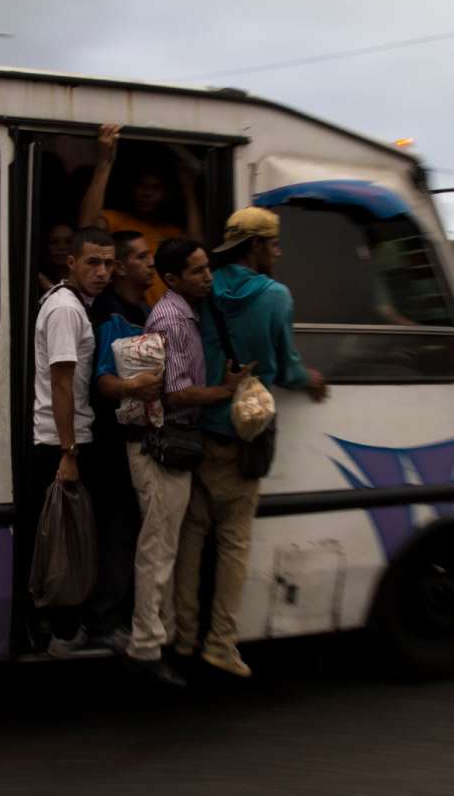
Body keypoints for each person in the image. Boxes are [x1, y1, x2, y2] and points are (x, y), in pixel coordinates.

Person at [175, 207, 328, 678]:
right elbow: (286, 368)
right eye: (273, 244)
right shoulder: (276, 296)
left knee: (192, 537)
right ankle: (220, 643)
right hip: (243, 440)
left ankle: (182, 636)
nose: (277, 253)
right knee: (234, 545)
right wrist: (313, 379)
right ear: (256, 246)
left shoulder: (205, 286)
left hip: (201, 431)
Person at [122, 237, 245, 688]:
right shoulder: (172, 319)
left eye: (206, 268)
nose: (207, 276)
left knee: (165, 547)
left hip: (172, 442)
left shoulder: (188, 313)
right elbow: (175, 393)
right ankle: (144, 650)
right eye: (196, 271)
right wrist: (225, 392)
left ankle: (162, 638)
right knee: (156, 550)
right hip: (161, 443)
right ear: (172, 279)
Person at [26, 226, 120, 656]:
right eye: (93, 263)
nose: (102, 272)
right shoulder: (66, 309)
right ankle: (61, 632)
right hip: (60, 442)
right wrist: (68, 452)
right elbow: (61, 385)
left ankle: (59, 627)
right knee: (66, 541)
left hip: (65, 438)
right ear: (71, 263)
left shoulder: (70, 303)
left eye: (109, 264)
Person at [82, 230, 161, 651]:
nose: (151, 263)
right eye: (142, 256)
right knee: (120, 528)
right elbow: (104, 381)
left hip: (136, 434)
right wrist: (139, 388)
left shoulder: (143, 308)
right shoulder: (114, 314)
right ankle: (104, 619)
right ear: (122, 268)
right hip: (114, 439)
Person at [78, 124, 203, 305]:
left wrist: (189, 189)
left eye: (155, 188)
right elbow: (86, 228)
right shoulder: (117, 220)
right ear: (131, 188)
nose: (147, 194)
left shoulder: (170, 232)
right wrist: (104, 165)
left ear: (166, 193)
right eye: (141, 186)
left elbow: (197, 251)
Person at [37, 222, 74, 293]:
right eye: (54, 242)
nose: (61, 247)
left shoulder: (86, 284)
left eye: (69, 242)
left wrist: (50, 287)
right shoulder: (36, 282)